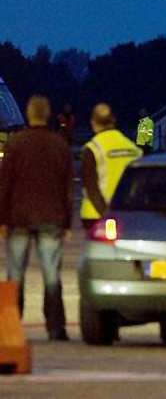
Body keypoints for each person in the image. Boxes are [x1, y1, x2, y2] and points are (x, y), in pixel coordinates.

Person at [0, 96, 74, 341]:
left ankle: (12, 325)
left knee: (15, 274)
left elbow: (5, 185)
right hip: (51, 217)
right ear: (48, 114)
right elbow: (67, 188)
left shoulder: (15, 144)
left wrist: (2, 219)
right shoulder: (59, 145)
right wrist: (67, 222)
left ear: (29, 115)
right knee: (52, 276)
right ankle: (55, 326)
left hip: (18, 218)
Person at [80, 104, 142, 233]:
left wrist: (105, 213)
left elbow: (91, 186)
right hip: (125, 213)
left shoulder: (92, 148)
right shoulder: (134, 149)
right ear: (113, 121)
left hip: (95, 215)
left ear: (93, 122)